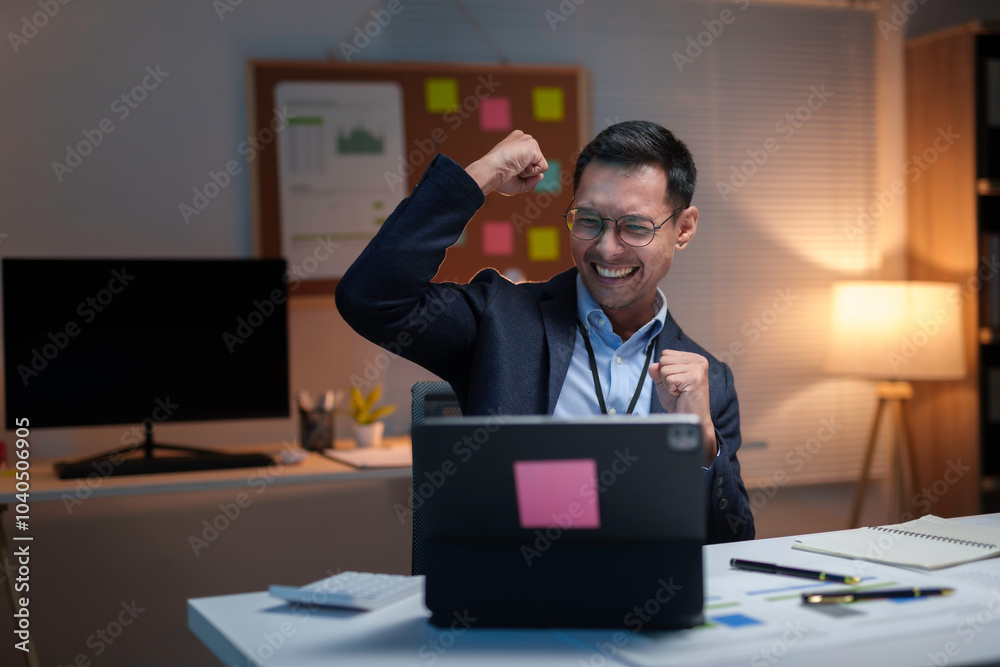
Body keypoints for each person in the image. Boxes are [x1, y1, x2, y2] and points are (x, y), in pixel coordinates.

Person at [336, 120, 754, 542]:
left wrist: (703, 442)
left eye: (635, 227)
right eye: (588, 220)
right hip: (514, 594)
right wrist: (479, 178)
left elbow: (731, 541)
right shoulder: (500, 319)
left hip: (648, 596)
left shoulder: (709, 383)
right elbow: (371, 298)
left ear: (683, 228)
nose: (607, 249)